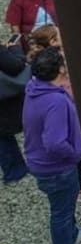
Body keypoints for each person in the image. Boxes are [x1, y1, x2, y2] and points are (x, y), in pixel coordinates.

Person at [23, 47, 81, 244]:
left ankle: (73, 235)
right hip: (57, 169)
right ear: (59, 70)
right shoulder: (55, 101)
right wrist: (76, 154)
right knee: (62, 213)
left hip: (43, 164)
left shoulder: (34, 87)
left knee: (64, 208)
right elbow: (55, 143)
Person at [0, 36, 27, 184]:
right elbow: (16, 66)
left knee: (3, 140)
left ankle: (13, 171)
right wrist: (13, 48)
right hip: (7, 102)